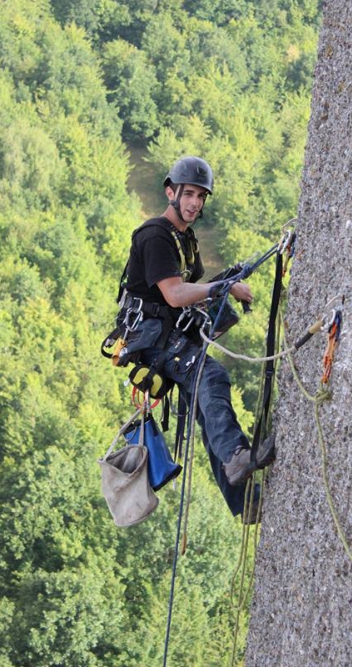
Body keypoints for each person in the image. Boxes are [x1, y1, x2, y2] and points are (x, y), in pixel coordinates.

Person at [119, 156, 275, 520]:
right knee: (212, 376)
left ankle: (244, 503)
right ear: (170, 192)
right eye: (188, 194)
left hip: (170, 337)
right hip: (155, 342)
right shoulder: (155, 235)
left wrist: (227, 284)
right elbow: (174, 295)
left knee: (207, 410)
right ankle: (237, 457)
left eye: (201, 197)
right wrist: (225, 286)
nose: (194, 203)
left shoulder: (185, 240)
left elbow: (193, 290)